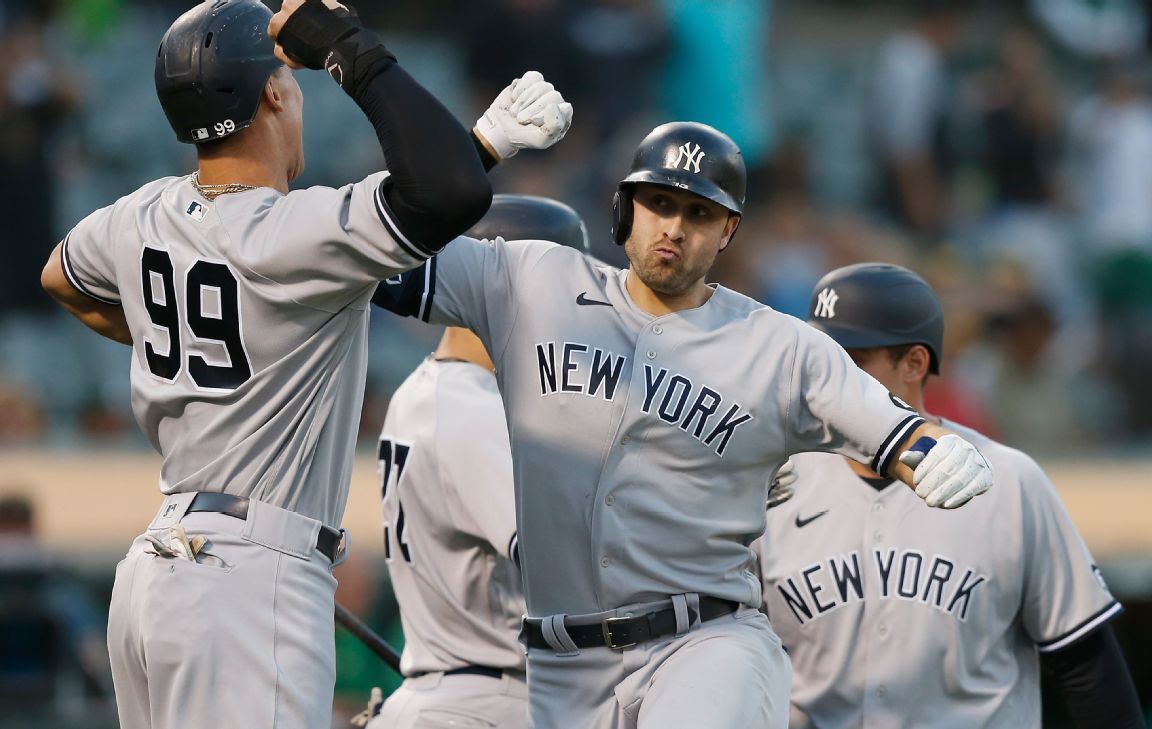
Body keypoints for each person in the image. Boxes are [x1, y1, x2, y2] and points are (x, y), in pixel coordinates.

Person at [39, 1, 570, 727]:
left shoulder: (143, 214)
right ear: (274, 94)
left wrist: (200, 340)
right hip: (247, 576)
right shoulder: (292, 231)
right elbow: (442, 194)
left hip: (154, 573)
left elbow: (59, 278)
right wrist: (352, 51)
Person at [372, 120, 993, 729]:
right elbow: (365, 243)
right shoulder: (531, 281)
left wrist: (937, 450)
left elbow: (897, 431)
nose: (673, 226)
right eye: (659, 203)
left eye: (698, 214)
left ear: (729, 231)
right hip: (561, 670)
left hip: (705, 642)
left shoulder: (779, 346)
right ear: (625, 209)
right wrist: (474, 151)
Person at [756, 263, 1144, 729]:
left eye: (851, 361)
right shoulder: (774, 484)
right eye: (821, 358)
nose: (827, 380)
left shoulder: (1010, 481)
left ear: (916, 364)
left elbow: (1086, 664)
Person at [366, 195, 592, 729]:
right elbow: (569, 569)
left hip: (456, 689)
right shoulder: (472, 408)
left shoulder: (428, 390)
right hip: (485, 702)